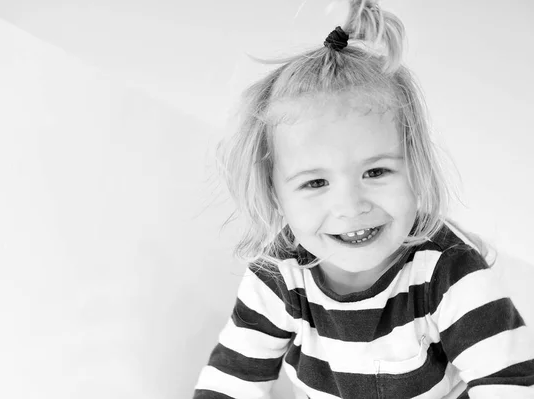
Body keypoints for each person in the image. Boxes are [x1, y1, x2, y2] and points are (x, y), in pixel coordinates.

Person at [193, 1, 534, 398]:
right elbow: (231, 384)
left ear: (416, 166)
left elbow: (510, 385)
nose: (351, 207)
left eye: (375, 173)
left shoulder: (448, 272)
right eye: (316, 183)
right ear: (275, 194)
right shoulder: (280, 275)